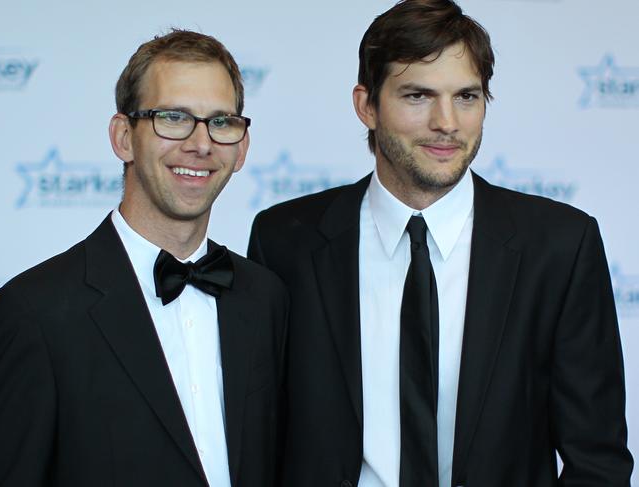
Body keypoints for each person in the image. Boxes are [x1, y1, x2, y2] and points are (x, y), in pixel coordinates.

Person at [247, 1, 633, 486]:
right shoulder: (285, 240)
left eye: (467, 97)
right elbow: (259, 438)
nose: (447, 122)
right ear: (367, 105)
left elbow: (598, 462)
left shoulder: (559, 246)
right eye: (417, 96)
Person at [0, 30, 287, 487]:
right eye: (173, 118)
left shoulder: (267, 298)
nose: (201, 143)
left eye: (221, 122)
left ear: (242, 147)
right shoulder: (34, 313)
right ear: (123, 137)